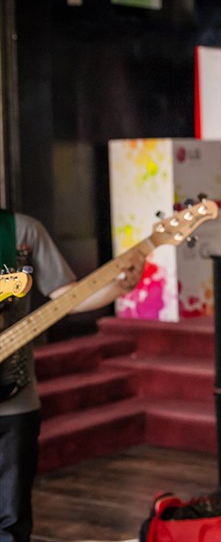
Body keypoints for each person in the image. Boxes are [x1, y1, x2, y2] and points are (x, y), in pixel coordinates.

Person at [0, 210, 144, 541]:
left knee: (11, 519)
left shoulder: (22, 231)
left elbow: (67, 297)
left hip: (15, 398)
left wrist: (120, 286)